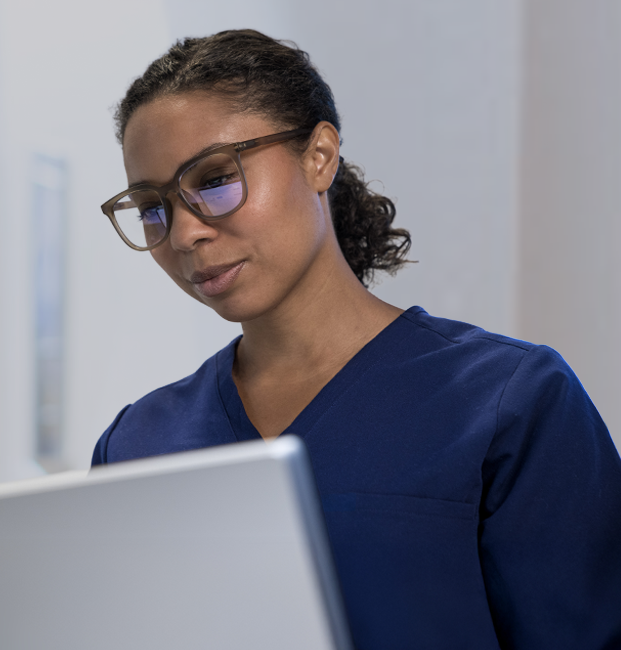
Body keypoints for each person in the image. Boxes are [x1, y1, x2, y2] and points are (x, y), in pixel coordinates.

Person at [89, 29, 621, 648]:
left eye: (213, 180)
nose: (184, 235)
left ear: (319, 156)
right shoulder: (137, 445)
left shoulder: (511, 403)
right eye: (152, 208)